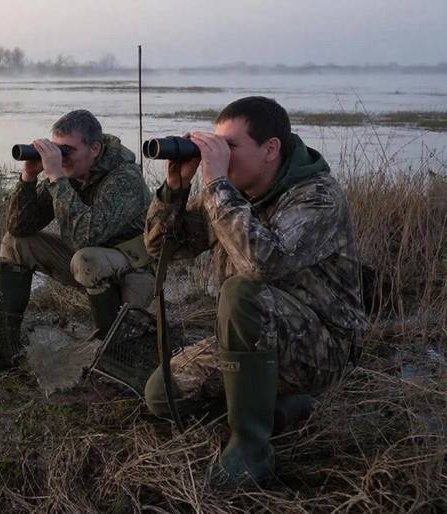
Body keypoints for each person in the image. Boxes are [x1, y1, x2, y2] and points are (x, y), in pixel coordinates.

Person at [143, 96, 367, 488]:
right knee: (162, 395)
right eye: (216, 145)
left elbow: (262, 264)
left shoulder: (318, 196)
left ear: (270, 149)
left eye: (230, 146)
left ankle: (250, 448)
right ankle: (281, 408)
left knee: (242, 292)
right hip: (253, 341)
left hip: (321, 348)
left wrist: (216, 183)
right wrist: (175, 188)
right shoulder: (232, 192)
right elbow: (162, 248)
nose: (220, 156)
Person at [0, 109, 154, 341]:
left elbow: (85, 238)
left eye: (68, 150)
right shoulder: (71, 172)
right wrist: (28, 176)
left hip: (134, 269)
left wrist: (57, 178)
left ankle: (110, 347)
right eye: (57, 149)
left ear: (95, 149)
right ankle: (5, 338)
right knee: (15, 244)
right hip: (88, 263)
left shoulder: (125, 178)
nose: (62, 158)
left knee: (87, 259)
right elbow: (19, 227)